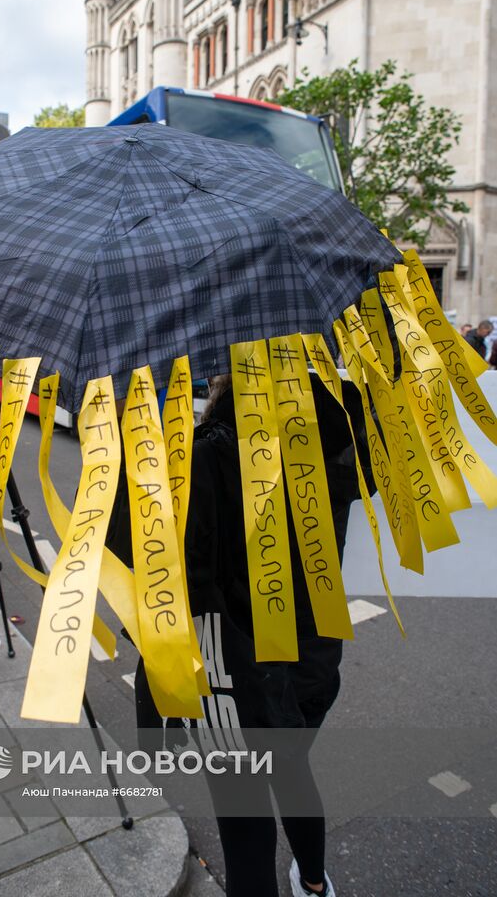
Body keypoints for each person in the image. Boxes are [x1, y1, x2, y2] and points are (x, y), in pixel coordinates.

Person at [107, 371, 371, 897]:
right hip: (311, 665)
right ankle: (315, 884)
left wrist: (129, 447)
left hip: (233, 677)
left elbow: (143, 563)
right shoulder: (332, 431)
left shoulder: (200, 461)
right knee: (294, 772)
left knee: (244, 815)